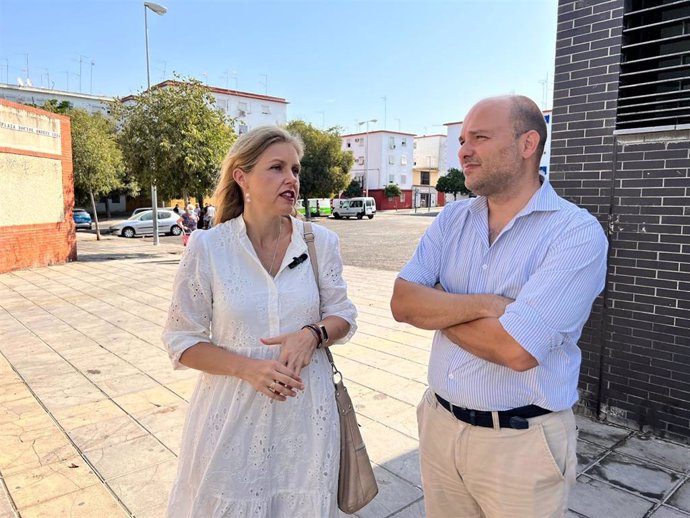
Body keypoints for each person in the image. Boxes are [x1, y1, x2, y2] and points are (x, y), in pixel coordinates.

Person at [390, 95, 608, 518]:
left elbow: (516, 350)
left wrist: (438, 303)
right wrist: (489, 306)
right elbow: (403, 302)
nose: (463, 151)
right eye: (463, 139)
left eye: (480, 138)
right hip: (438, 426)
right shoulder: (453, 220)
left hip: (521, 446)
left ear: (527, 145)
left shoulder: (575, 234)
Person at [162, 126, 357, 517]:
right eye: (277, 167)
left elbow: (344, 316)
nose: (292, 179)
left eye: (296, 170)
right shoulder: (208, 247)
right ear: (242, 176)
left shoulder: (320, 242)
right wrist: (249, 368)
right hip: (231, 417)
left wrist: (312, 335)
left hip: (306, 415)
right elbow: (181, 340)